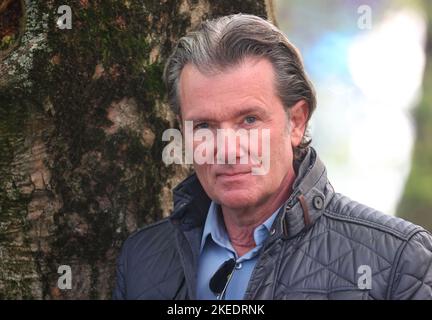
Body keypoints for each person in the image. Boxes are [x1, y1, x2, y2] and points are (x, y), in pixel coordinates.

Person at [113, 14, 432, 300]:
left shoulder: (399, 260)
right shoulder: (142, 258)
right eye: (204, 125)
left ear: (296, 122)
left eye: (249, 120)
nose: (227, 149)